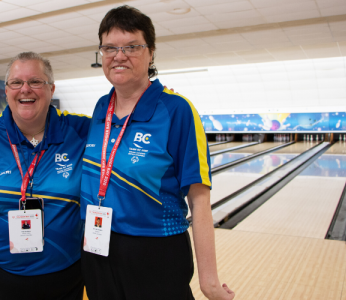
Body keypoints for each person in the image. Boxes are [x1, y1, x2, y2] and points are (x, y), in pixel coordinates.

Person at [80, 5, 235, 300]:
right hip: (97, 249)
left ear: (151, 53)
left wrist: (210, 282)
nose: (119, 55)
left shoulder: (176, 110)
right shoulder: (102, 106)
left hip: (154, 252)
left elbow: (199, 200)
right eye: (110, 47)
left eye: (132, 46)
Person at [0, 52, 90, 300]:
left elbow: (122, 127)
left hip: (66, 270)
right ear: (6, 90)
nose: (25, 89)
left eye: (36, 81)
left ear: (51, 89)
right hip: (2, 269)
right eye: (16, 82)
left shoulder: (81, 130)